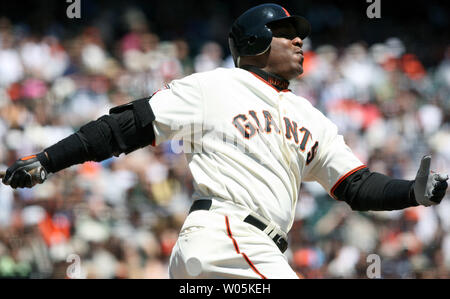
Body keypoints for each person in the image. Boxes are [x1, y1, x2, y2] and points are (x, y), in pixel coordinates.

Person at [2, 3, 448, 279]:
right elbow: (127, 125)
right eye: (287, 31)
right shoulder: (216, 86)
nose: (299, 39)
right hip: (229, 239)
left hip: (239, 253)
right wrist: (48, 159)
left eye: (301, 34)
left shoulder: (312, 118)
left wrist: (411, 192)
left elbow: (355, 184)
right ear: (255, 40)